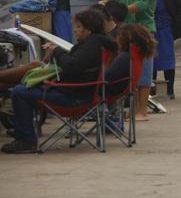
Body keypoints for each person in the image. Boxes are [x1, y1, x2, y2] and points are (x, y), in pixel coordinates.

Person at [1, 9, 117, 153]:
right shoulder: (95, 43)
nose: (75, 30)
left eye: (79, 27)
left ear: (89, 29)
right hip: (75, 93)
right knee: (23, 81)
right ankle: (23, 131)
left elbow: (71, 66)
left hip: (73, 98)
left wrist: (57, 51)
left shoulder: (92, 45)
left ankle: (26, 140)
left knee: (20, 91)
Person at [105, 0, 157, 120]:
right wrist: (104, 4)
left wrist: (122, 10)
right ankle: (135, 110)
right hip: (127, 32)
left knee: (144, 72)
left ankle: (143, 110)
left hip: (143, 31)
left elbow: (142, 4)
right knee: (132, 73)